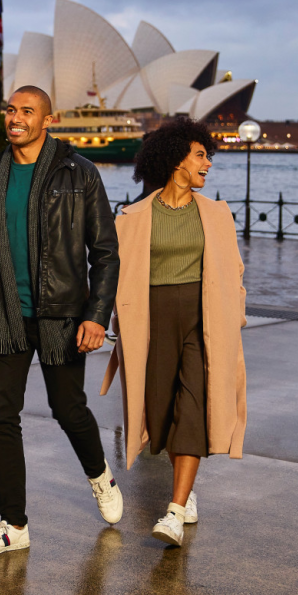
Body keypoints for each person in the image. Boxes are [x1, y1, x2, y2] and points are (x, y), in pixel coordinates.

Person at [0, 85, 122, 558]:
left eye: (27, 111)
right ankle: (14, 525)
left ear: (47, 120)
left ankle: (100, 476)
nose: (16, 117)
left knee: (68, 410)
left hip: (62, 316)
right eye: (11, 109)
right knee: (1, 419)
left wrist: (96, 316)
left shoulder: (80, 173)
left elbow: (106, 253)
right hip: (4, 315)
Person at [101, 118, 247, 547]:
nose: (208, 164)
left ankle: (175, 509)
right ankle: (187, 489)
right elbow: (116, 275)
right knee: (159, 410)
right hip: (152, 315)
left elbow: (234, 269)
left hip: (205, 318)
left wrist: (234, 312)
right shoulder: (132, 217)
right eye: (201, 155)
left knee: (195, 403)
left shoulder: (217, 214)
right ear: (175, 158)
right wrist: (112, 318)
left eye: (208, 156)